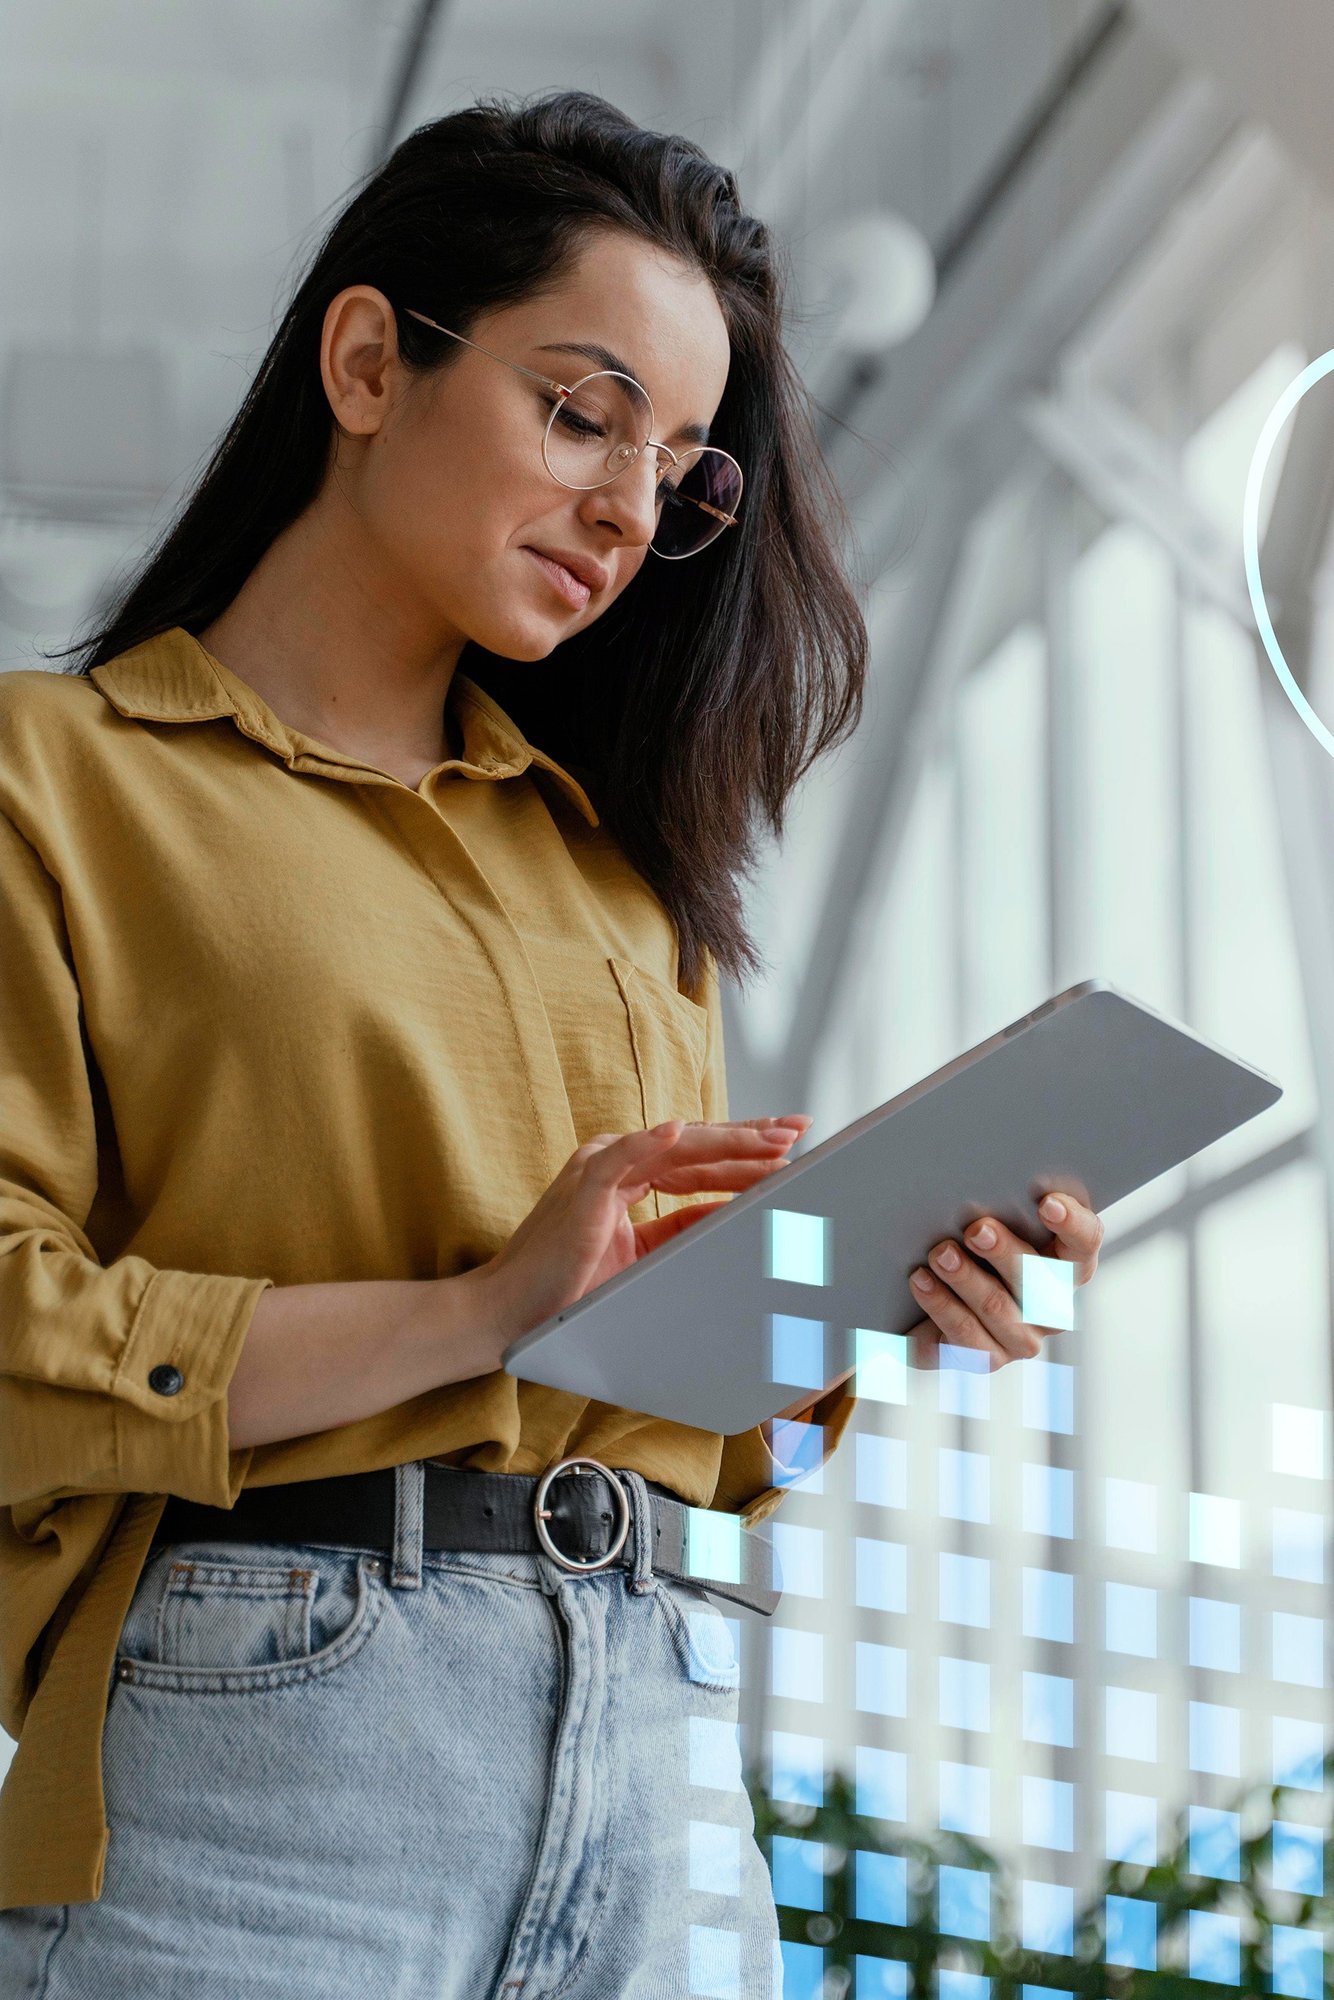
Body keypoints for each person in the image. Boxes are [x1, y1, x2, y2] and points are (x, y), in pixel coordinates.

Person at [0, 88, 1103, 1997]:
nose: (628, 505)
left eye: (679, 464)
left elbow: (671, 1408)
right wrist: (475, 1308)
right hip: (269, 1752)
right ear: (367, 361)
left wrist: (865, 1296)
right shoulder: (56, 778)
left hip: (665, 1755)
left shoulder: (617, 878)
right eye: (579, 412)